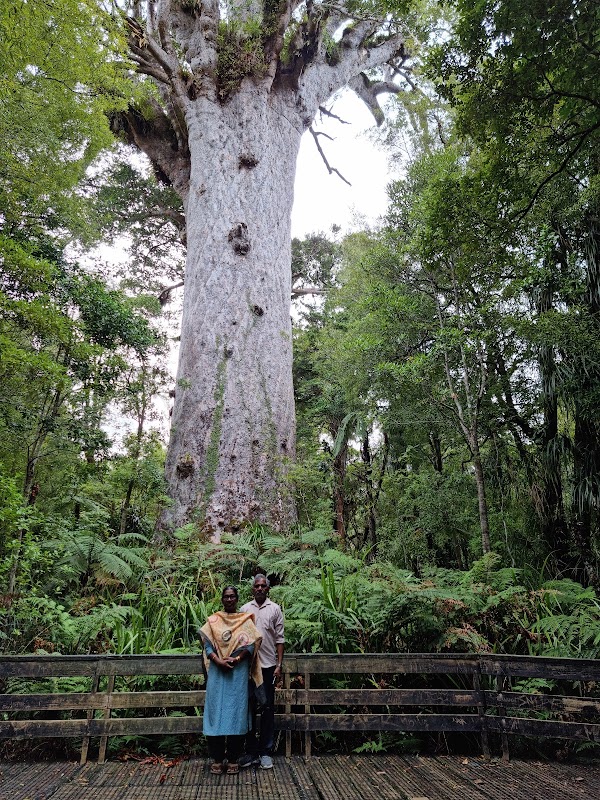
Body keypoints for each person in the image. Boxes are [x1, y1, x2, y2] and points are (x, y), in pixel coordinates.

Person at [200, 585, 264, 775]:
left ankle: (234, 757)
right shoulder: (214, 620)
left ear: (237, 599)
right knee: (215, 714)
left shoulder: (244, 621)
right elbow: (207, 644)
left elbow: (253, 644)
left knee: (236, 713)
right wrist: (218, 660)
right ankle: (218, 759)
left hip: (238, 675)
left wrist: (236, 658)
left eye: (232, 597)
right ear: (222, 599)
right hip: (218, 675)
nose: (229, 600)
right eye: (226, 597)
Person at [239, 574, 285, 770]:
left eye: (262, 586)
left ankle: (266, 752)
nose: (259, 589)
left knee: (267, 709)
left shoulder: (274, 609)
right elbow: (238, 637)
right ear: (252, 589)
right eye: (256, 586)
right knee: (248, 709)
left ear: (268, 589)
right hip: (248, 668)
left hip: (267, 667)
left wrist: (279, 665)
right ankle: (251, 752)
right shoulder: (244, 609)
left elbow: (280, 639)